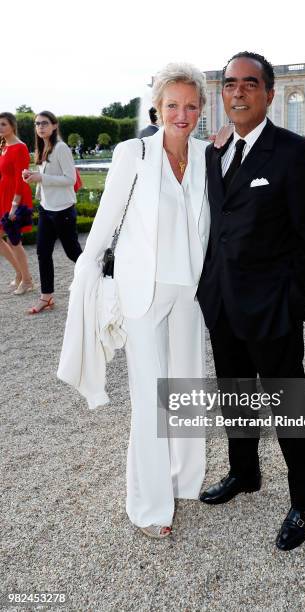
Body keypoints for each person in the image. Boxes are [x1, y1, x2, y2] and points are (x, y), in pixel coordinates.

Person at [58, 63, 211, 539]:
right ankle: (148, 507)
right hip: (142, 292)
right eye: (172, 105)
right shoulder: (134, 153)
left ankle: (184, 481)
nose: (181, 114)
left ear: (201, 109)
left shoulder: (209, 155)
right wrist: (83, 281)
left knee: (186, 388)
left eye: (190, 105)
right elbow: (103, 226)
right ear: (157, 107)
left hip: (190, 290)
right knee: (150, 398)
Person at [197, 52, 305, 551]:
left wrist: (292, 301)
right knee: (235, 398)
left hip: (272, 309)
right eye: (230, 83)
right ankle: (244, 474)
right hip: (223, 304)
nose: (238, 91)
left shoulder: (292, 151)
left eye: (250, 83)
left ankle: (303, 501)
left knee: (289, 405)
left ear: (269, 93)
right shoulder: (215, 153)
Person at [23, 111, 82, 314]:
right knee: (43, 253)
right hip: (47, 209)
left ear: (54, 125)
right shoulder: (43, 147)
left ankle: (101, 281)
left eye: (45, 123)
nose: (40, 127)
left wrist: (41, 178)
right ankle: (46, 297)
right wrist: (31, 176)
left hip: (63, 209)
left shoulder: (61, 148)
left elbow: (70, 179)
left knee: (73, 252)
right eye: (37, 124)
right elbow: (46, 176)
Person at [0, 112, 34, 294]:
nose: (0, 128)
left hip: (16, 196)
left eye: (3, 124)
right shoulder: (4, 145)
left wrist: (15, 203)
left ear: (12, 126)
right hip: (3, 194)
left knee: (14, 240)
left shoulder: (20, 147)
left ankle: (27, 280)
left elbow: (21, 179)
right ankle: (20, 274)